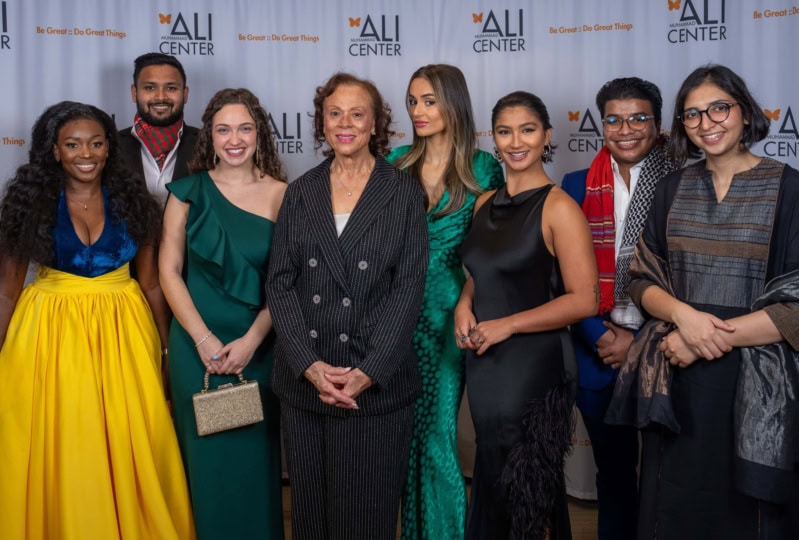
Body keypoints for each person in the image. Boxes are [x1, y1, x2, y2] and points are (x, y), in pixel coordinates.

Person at [613, 64, 799, 540]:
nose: (707, 122)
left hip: (758, 381)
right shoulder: (673, 187)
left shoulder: (789, 187)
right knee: (674, 508)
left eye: (719, 108)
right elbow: (640, 278)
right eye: (692, 114)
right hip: (677, 378)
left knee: (747, 516)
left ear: (744, 112)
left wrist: (701, 339)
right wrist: (683, 319)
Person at [0, 101, 194, 539]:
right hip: (48, 336)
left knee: (130, 437)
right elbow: (7, 289)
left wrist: (168, 352)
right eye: (72, 144)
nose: (85, 153)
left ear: (110, 148)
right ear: (54, 151)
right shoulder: (27, 204)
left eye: (96, 142)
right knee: (64, 440)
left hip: (124, 332)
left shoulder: (136, 203)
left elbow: (152, 286)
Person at [266, 72, 428, 539]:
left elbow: (408, 289)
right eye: (334, 113)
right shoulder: (300, 191)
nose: (345, 123)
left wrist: (368, 371)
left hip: (374, 386)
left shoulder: (401, 193)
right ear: (321, 121)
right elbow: (280, 284)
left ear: (376, 123)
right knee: (312, 520)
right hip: (308, 387)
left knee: (364, 521)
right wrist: (309, 365)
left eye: (357, 114)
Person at [456, 91, 598, 540]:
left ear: (547, 135)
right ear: (493, 138)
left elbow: (584, 301)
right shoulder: (484, 203)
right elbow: (482, 273)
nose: (516, 141)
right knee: (494, 472)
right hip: (487, 364)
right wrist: (464, 304)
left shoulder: (559, 208)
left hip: (535, 366)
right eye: (504, 131)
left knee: (528, 485)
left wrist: (507, 325)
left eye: (528, 129)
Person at [159, 88, 287, 539]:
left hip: (259, 346)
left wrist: (252, 341)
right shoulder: (187, 192)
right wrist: (203, 339)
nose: (235, 139)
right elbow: (169, 271)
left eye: (245, 128)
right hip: (197, 348)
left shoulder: (283, 196)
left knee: (256, 463)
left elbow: (286, 282)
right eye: (223, 129)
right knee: (208, 465)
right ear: (208, 136)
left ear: (260, 134)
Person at [386, 63, 504, 540]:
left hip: (450, 315)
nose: (417, 111)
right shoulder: (395, 162)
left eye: (429, 101)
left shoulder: (483, 167)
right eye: (413, 101)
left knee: (437, 437)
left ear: (453, 102)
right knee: (405, 439)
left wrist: (467, 301)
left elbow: (493, 252)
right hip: (395, 315)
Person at [561, 77, 679, 540]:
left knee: (670, 473)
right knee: (612, 474)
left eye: (638, 118)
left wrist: (641, 339)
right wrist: (600, 335)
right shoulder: (575, 185)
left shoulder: (683, 179)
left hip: (666, 348)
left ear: (657, 122)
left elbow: (691, 275)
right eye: (614, 118)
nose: (625, 128)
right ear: (601, 124)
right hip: (598, 350)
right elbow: (560, 274)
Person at [119, 52, 199, 206]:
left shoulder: (208, 144)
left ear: (185, 93)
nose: (161, 97)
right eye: (150, 88)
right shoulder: (111, 145)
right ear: (134, 93)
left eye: (171, 88)